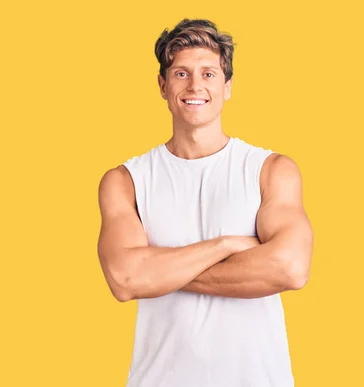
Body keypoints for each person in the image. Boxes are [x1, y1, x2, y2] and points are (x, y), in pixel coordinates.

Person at [96, 18, 313, 387]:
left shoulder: (270, 170)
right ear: (163, 86)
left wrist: (159, 270)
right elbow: (125, 279)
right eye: (181, 73)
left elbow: (290, 268)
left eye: (209, 74)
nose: (195, 85)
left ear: (227, 86)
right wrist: (226, 245)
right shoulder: (126, 181)